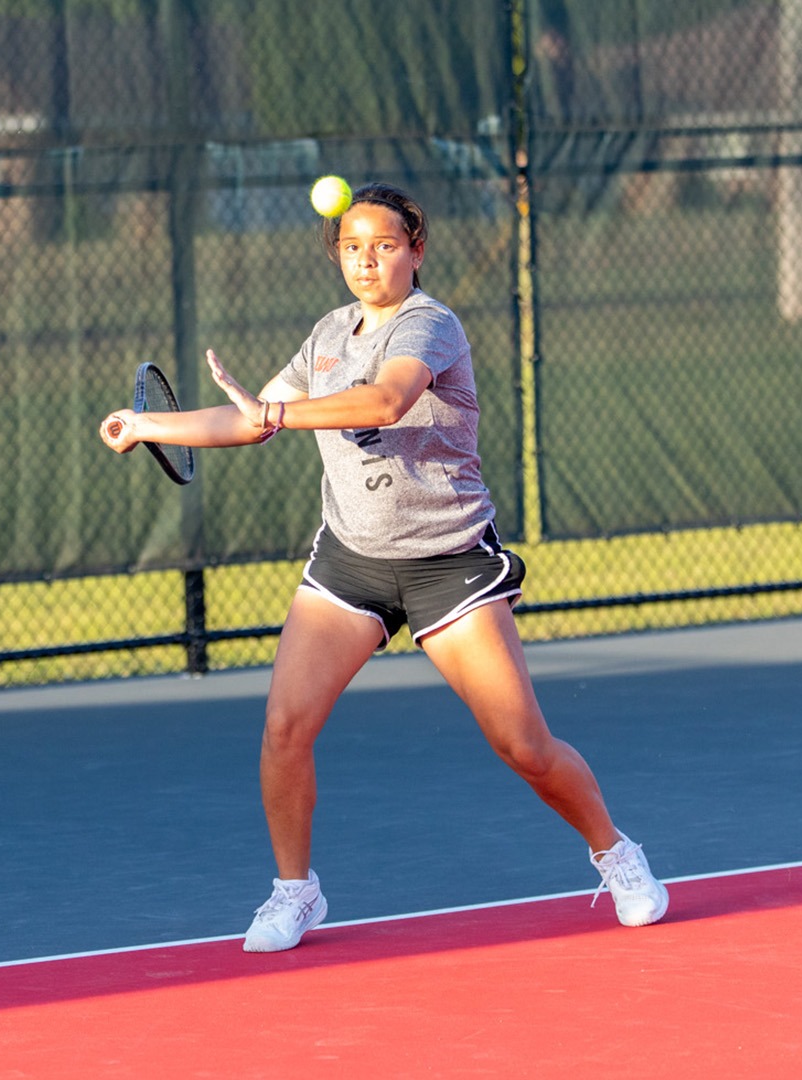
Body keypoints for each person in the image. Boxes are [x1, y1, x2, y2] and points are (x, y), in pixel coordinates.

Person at [99, 182, 666, 952]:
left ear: (417, 250)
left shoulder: (431, 325)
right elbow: (250, 416)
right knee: (284, 729)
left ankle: (615, 852)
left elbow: (383, 403)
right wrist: (147, 424)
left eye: (386, 245)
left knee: (523, 746)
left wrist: (274, 414)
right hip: (351, 563)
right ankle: (295, 893)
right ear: (336, 255)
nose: (367, 260)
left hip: (449, 563)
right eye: (352, 247)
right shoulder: (328, 332)